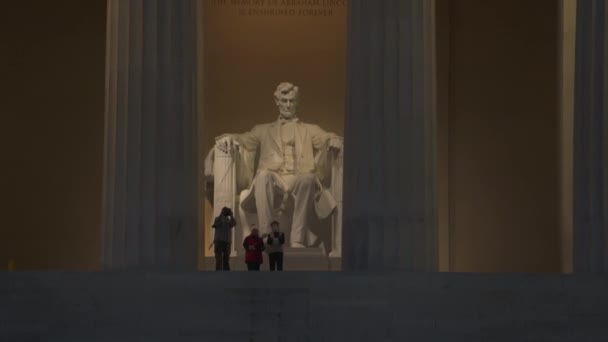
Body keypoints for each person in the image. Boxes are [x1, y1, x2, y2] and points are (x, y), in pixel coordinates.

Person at [210, 82, 343, 248]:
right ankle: (268, 236)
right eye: (284, 100)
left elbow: (325, 137)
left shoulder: (309, 129)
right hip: (274, 180)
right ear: (277, 101)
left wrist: (334, 138)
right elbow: (243, 139)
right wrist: (228, 137)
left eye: (292, 101)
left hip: (298, 179)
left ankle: (297, 239)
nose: (288, 105)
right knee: (264, 176)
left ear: (297, 102)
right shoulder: (263, 130)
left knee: (309, 178)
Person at [211, 207, 236, 271]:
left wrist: (232, 215)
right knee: (218, 259)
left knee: (226, 259)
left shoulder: (229, 221)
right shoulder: (217, 219)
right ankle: (218, 273)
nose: (226, 212)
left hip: (227, 242)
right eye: (225, 211)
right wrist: (221, 214)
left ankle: (226, 273)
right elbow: (216, 223)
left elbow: (234, 223)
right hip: (219, 241)